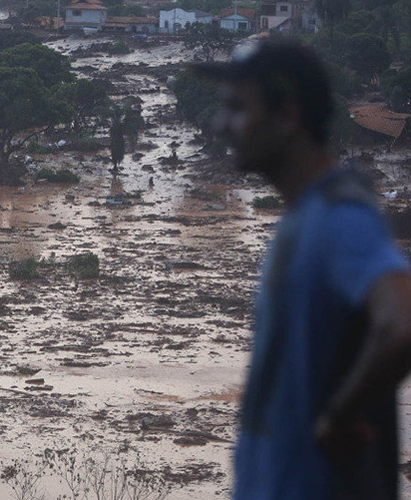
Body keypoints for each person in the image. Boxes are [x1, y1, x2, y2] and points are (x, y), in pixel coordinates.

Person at [195, 41, 411, 499]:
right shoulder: (303, 217)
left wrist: (339, 418)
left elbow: (403, 323)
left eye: (236, 109)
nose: (220, 126)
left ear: (288, 115)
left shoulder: (340, 218)